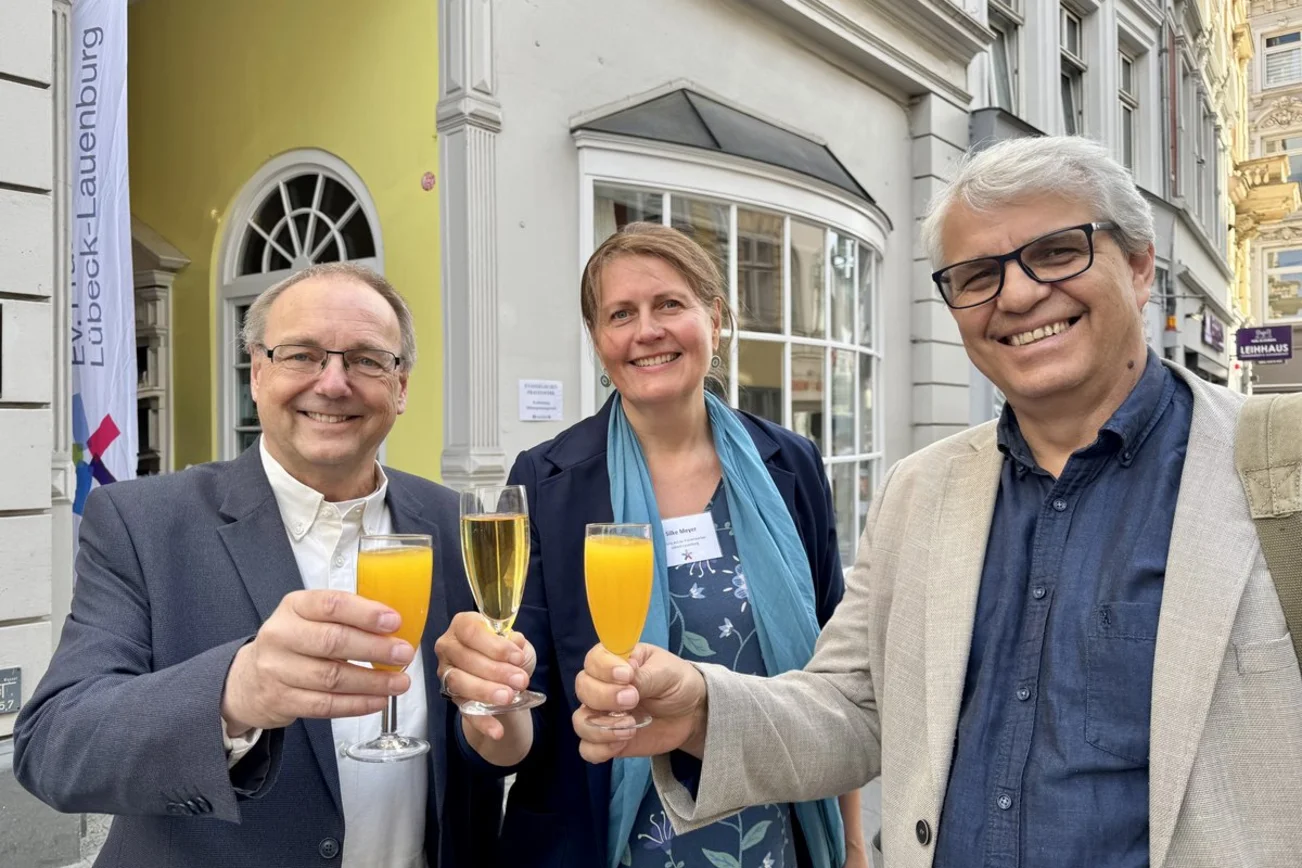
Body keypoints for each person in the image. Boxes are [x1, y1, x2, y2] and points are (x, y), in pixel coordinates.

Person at [571, 137, 1302, 867]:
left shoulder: (1277, 472)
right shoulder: (917, 492)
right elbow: (853, 710)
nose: (1016, 295)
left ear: (1140, 265)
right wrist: (701, 708)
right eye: (978, 274)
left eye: (1054, 252)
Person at [13, 262, 499, 867]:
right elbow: (54, 748)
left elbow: (471, 744)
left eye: (368, 360)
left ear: (401, 388)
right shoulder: (144, 523)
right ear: (257, 372)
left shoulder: (452, 523)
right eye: (301, 355)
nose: (333, 382)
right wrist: (231, 695)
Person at [433, 223, 870, 868]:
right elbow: (524, 728)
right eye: (620, 314)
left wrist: (854, 846)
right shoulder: (548, 479)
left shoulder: (791, 464)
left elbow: (838, 680)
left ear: (714, 319)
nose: (647, 331)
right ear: (598, 340)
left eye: (669, 304)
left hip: (779, 832)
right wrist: (488, 702)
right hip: (605, 844)